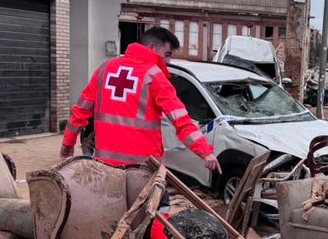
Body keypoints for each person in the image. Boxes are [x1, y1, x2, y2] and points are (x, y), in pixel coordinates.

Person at [61, 26, 222, 178]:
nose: (168, 62)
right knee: (156, 206)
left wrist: (68, 143)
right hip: (142, 171)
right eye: (167, 54)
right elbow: (181, 121)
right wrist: (205, 152)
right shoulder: (155, 77)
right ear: (152, 47)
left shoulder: (105, 69)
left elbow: (81, 110)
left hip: (106, 167)